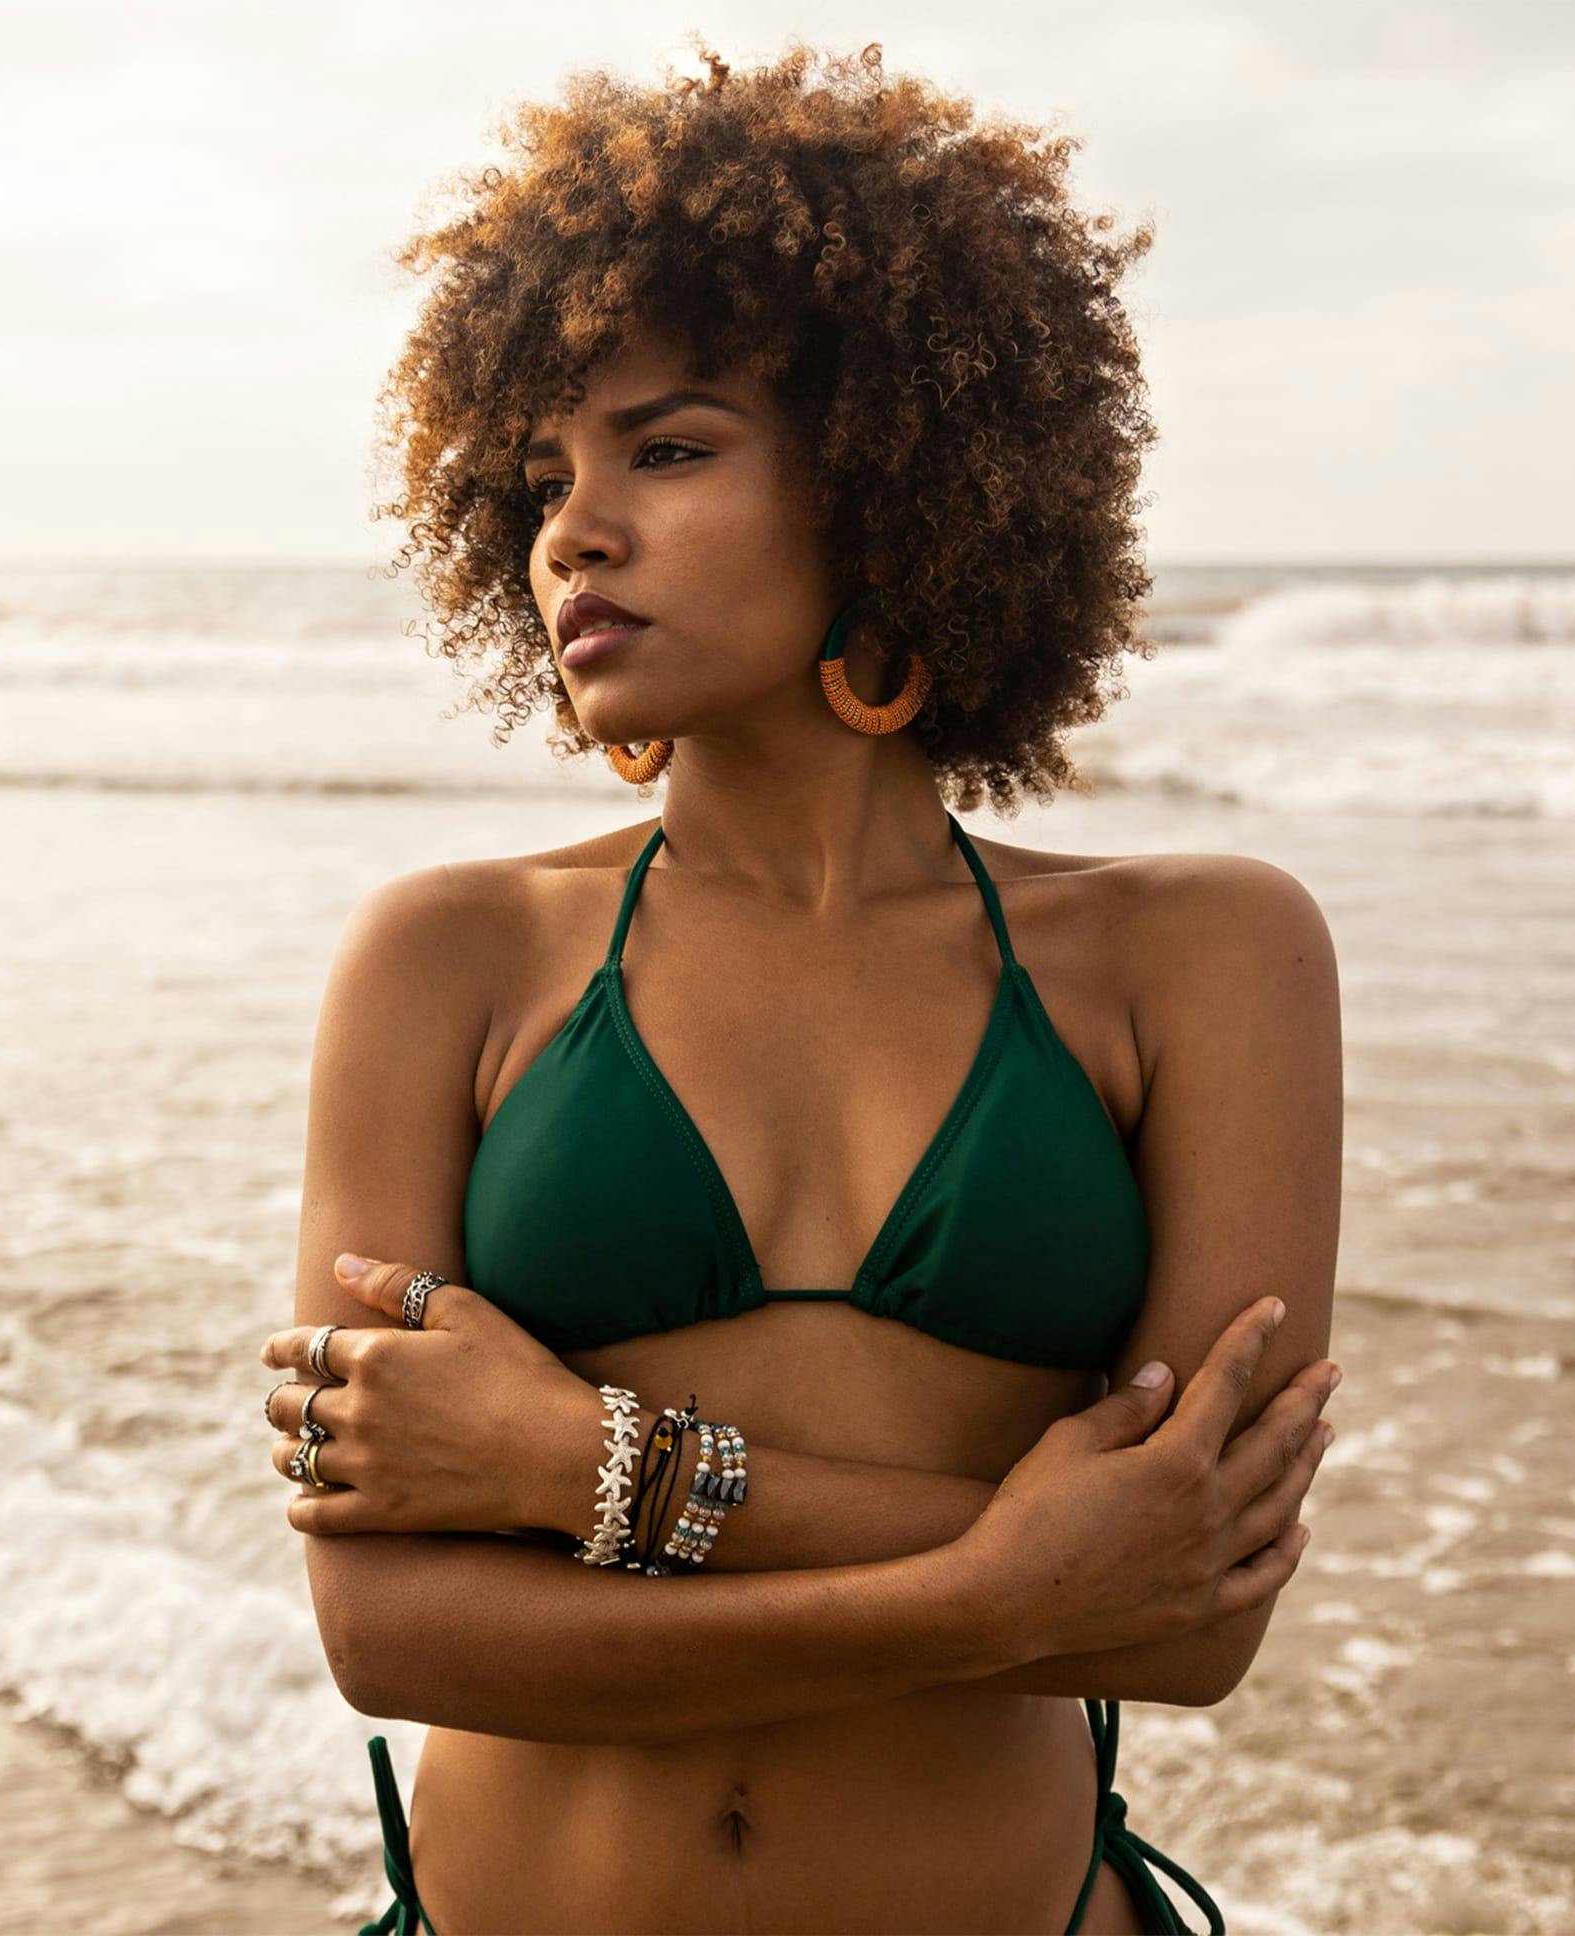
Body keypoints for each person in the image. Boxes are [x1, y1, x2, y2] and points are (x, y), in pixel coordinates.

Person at [258, 38, 1343, 1936]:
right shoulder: (449, 955)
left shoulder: (1203, 953)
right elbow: (391, 1629)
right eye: (541, 478)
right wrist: (1008, 1588)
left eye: (668, 451)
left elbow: (1193, 1622)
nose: (571, 532)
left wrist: (570, 1462)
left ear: (892, 481)